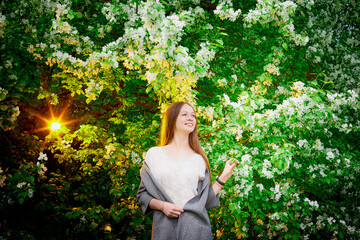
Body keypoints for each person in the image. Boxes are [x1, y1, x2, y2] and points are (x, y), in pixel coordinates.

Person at [137, 102, 239, 240]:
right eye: (184, 114)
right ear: (172, 119)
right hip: (164, 230)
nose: (191, 118)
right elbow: (142, 195)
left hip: (196, 230)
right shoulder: (154, 154)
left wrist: (222, 179)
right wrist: (162, 206)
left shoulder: (199, 159)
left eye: (193, 115)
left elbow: (204, 202)